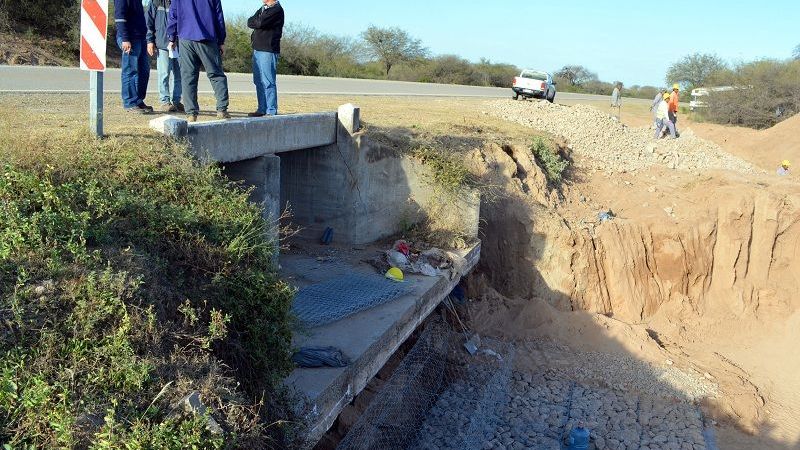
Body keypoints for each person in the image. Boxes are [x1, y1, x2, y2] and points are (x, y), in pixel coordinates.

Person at [167, 0, 230, 122]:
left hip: (186, 38)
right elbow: (218, 16)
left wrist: (171, 37)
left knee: (188, 77)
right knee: (216, 75)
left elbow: (173, 15)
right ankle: (222, 110)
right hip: (207, 38)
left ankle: (191, 113)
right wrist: (221, 40)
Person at [247, 0, 285, 117]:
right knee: (258, 81)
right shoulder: (263, 8)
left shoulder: (276, 10)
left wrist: (258, 22)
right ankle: (261, 109)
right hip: (257, 49)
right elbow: (250, 21)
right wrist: (257, 22)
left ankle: (271, 111)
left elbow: (259, 23)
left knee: (268, 81)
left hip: (268, 50)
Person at [114, 0, 152, 114]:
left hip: (141, 37)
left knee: (144, 71)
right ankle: (130, 102)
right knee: (130, 71)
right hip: (129, 38)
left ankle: (138, 100)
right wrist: (125, 39)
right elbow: (120, 17)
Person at [146, 0, 183, 113]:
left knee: (180, 75)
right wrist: (150, 41)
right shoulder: (155, 2)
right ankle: (165, 101)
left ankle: (176, 101)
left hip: (180, 44)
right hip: (163, 44)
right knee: (164, 74)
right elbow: (149, 22)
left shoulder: (181, 2)